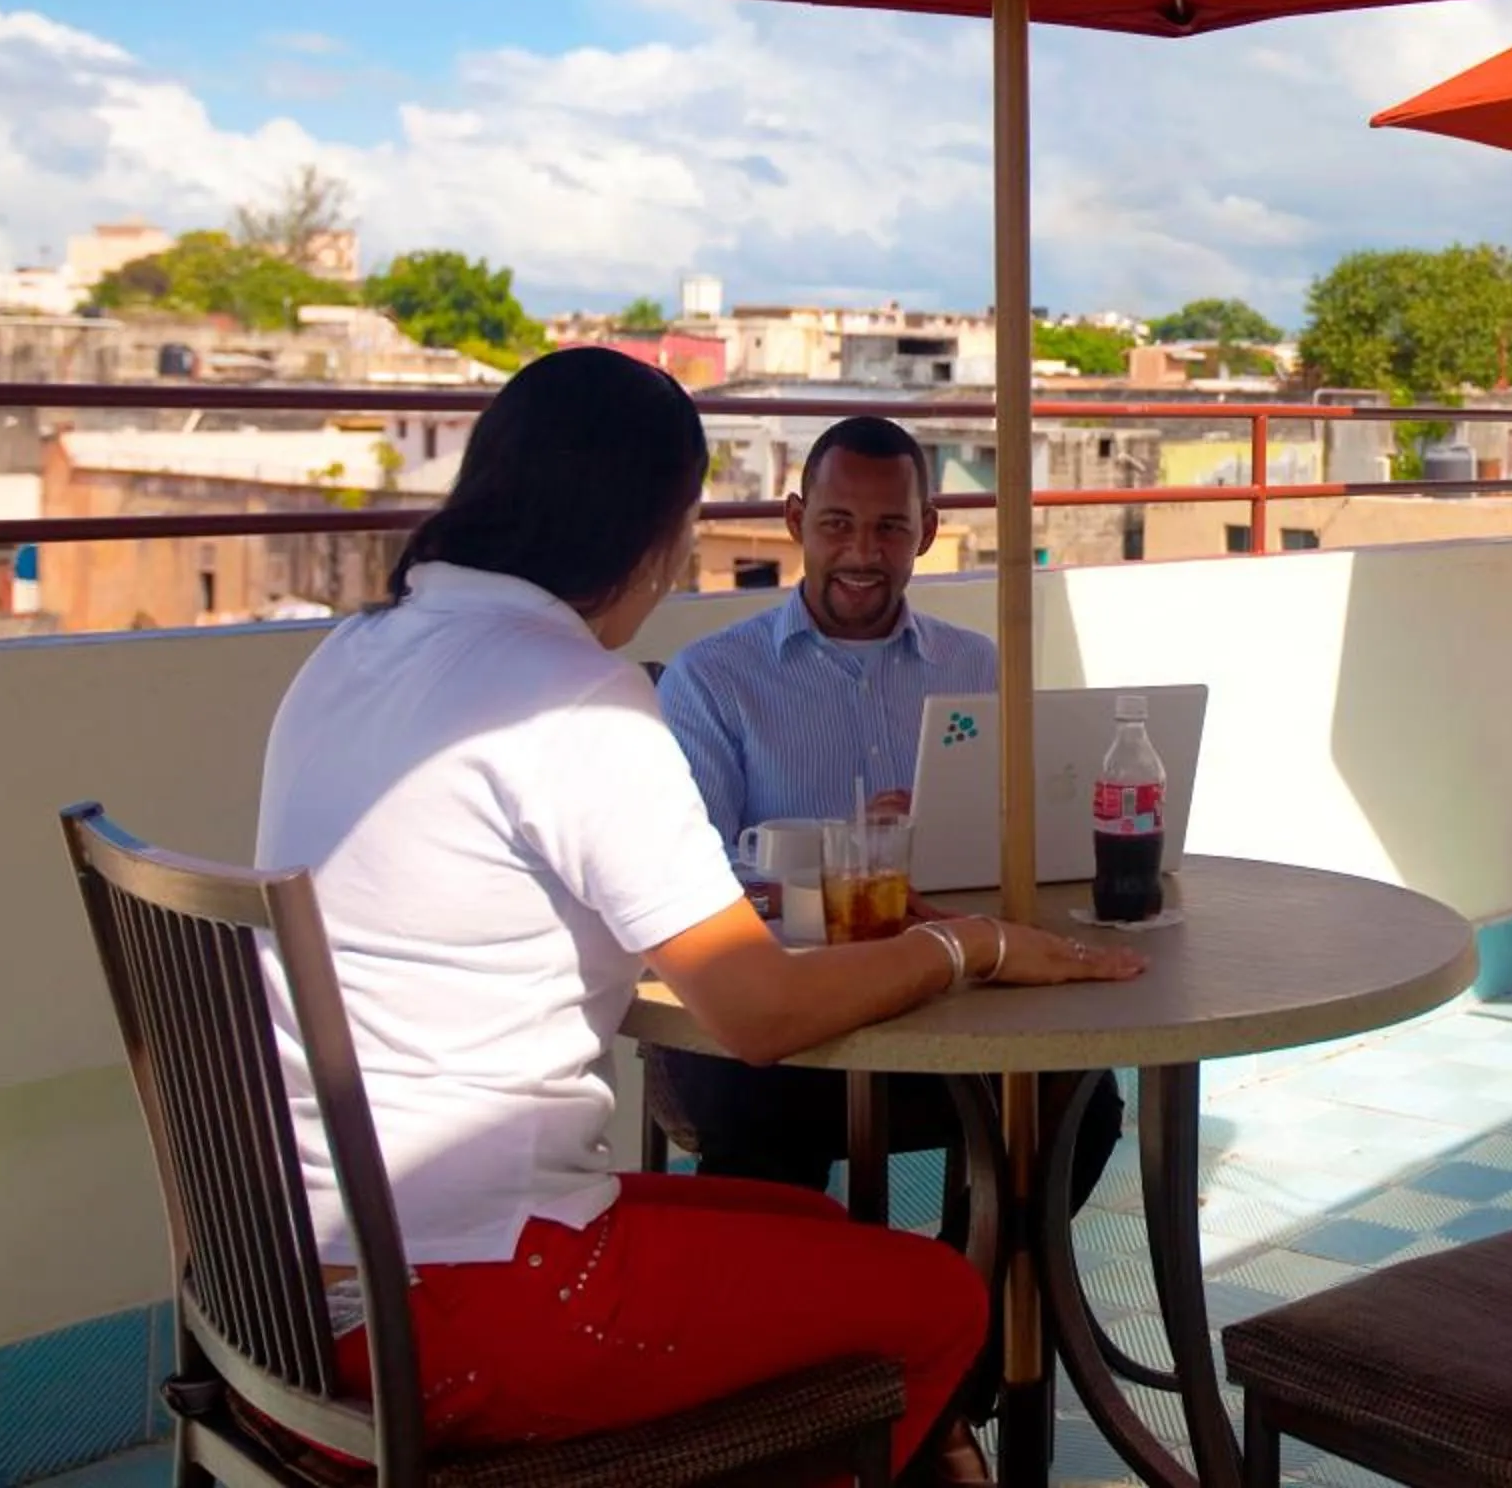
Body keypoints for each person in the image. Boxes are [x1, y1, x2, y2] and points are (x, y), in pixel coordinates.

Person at [257, 350, 1142, 1484]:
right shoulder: (571, 696)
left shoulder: (352, 651)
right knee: (931, 1300)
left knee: (832, 1242)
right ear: (650, 525)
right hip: (467, 1304)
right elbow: (758, 1011)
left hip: (305, 1279)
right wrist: (968, 943)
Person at [654, 417, 1128, 1212]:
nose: (864, 554)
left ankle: (965, 1312)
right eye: (837, 524)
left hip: (946, 994)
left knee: (1079, 1102)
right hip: (781, 1008)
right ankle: (819, 1330)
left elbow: (1018, 841)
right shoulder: (712, 679)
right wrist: (849, 858)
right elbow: (691, 882)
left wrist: (946, 836)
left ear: (929, 532)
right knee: (759, 1123)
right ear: (796, 521)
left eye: (890, 528)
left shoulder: (978, 665)